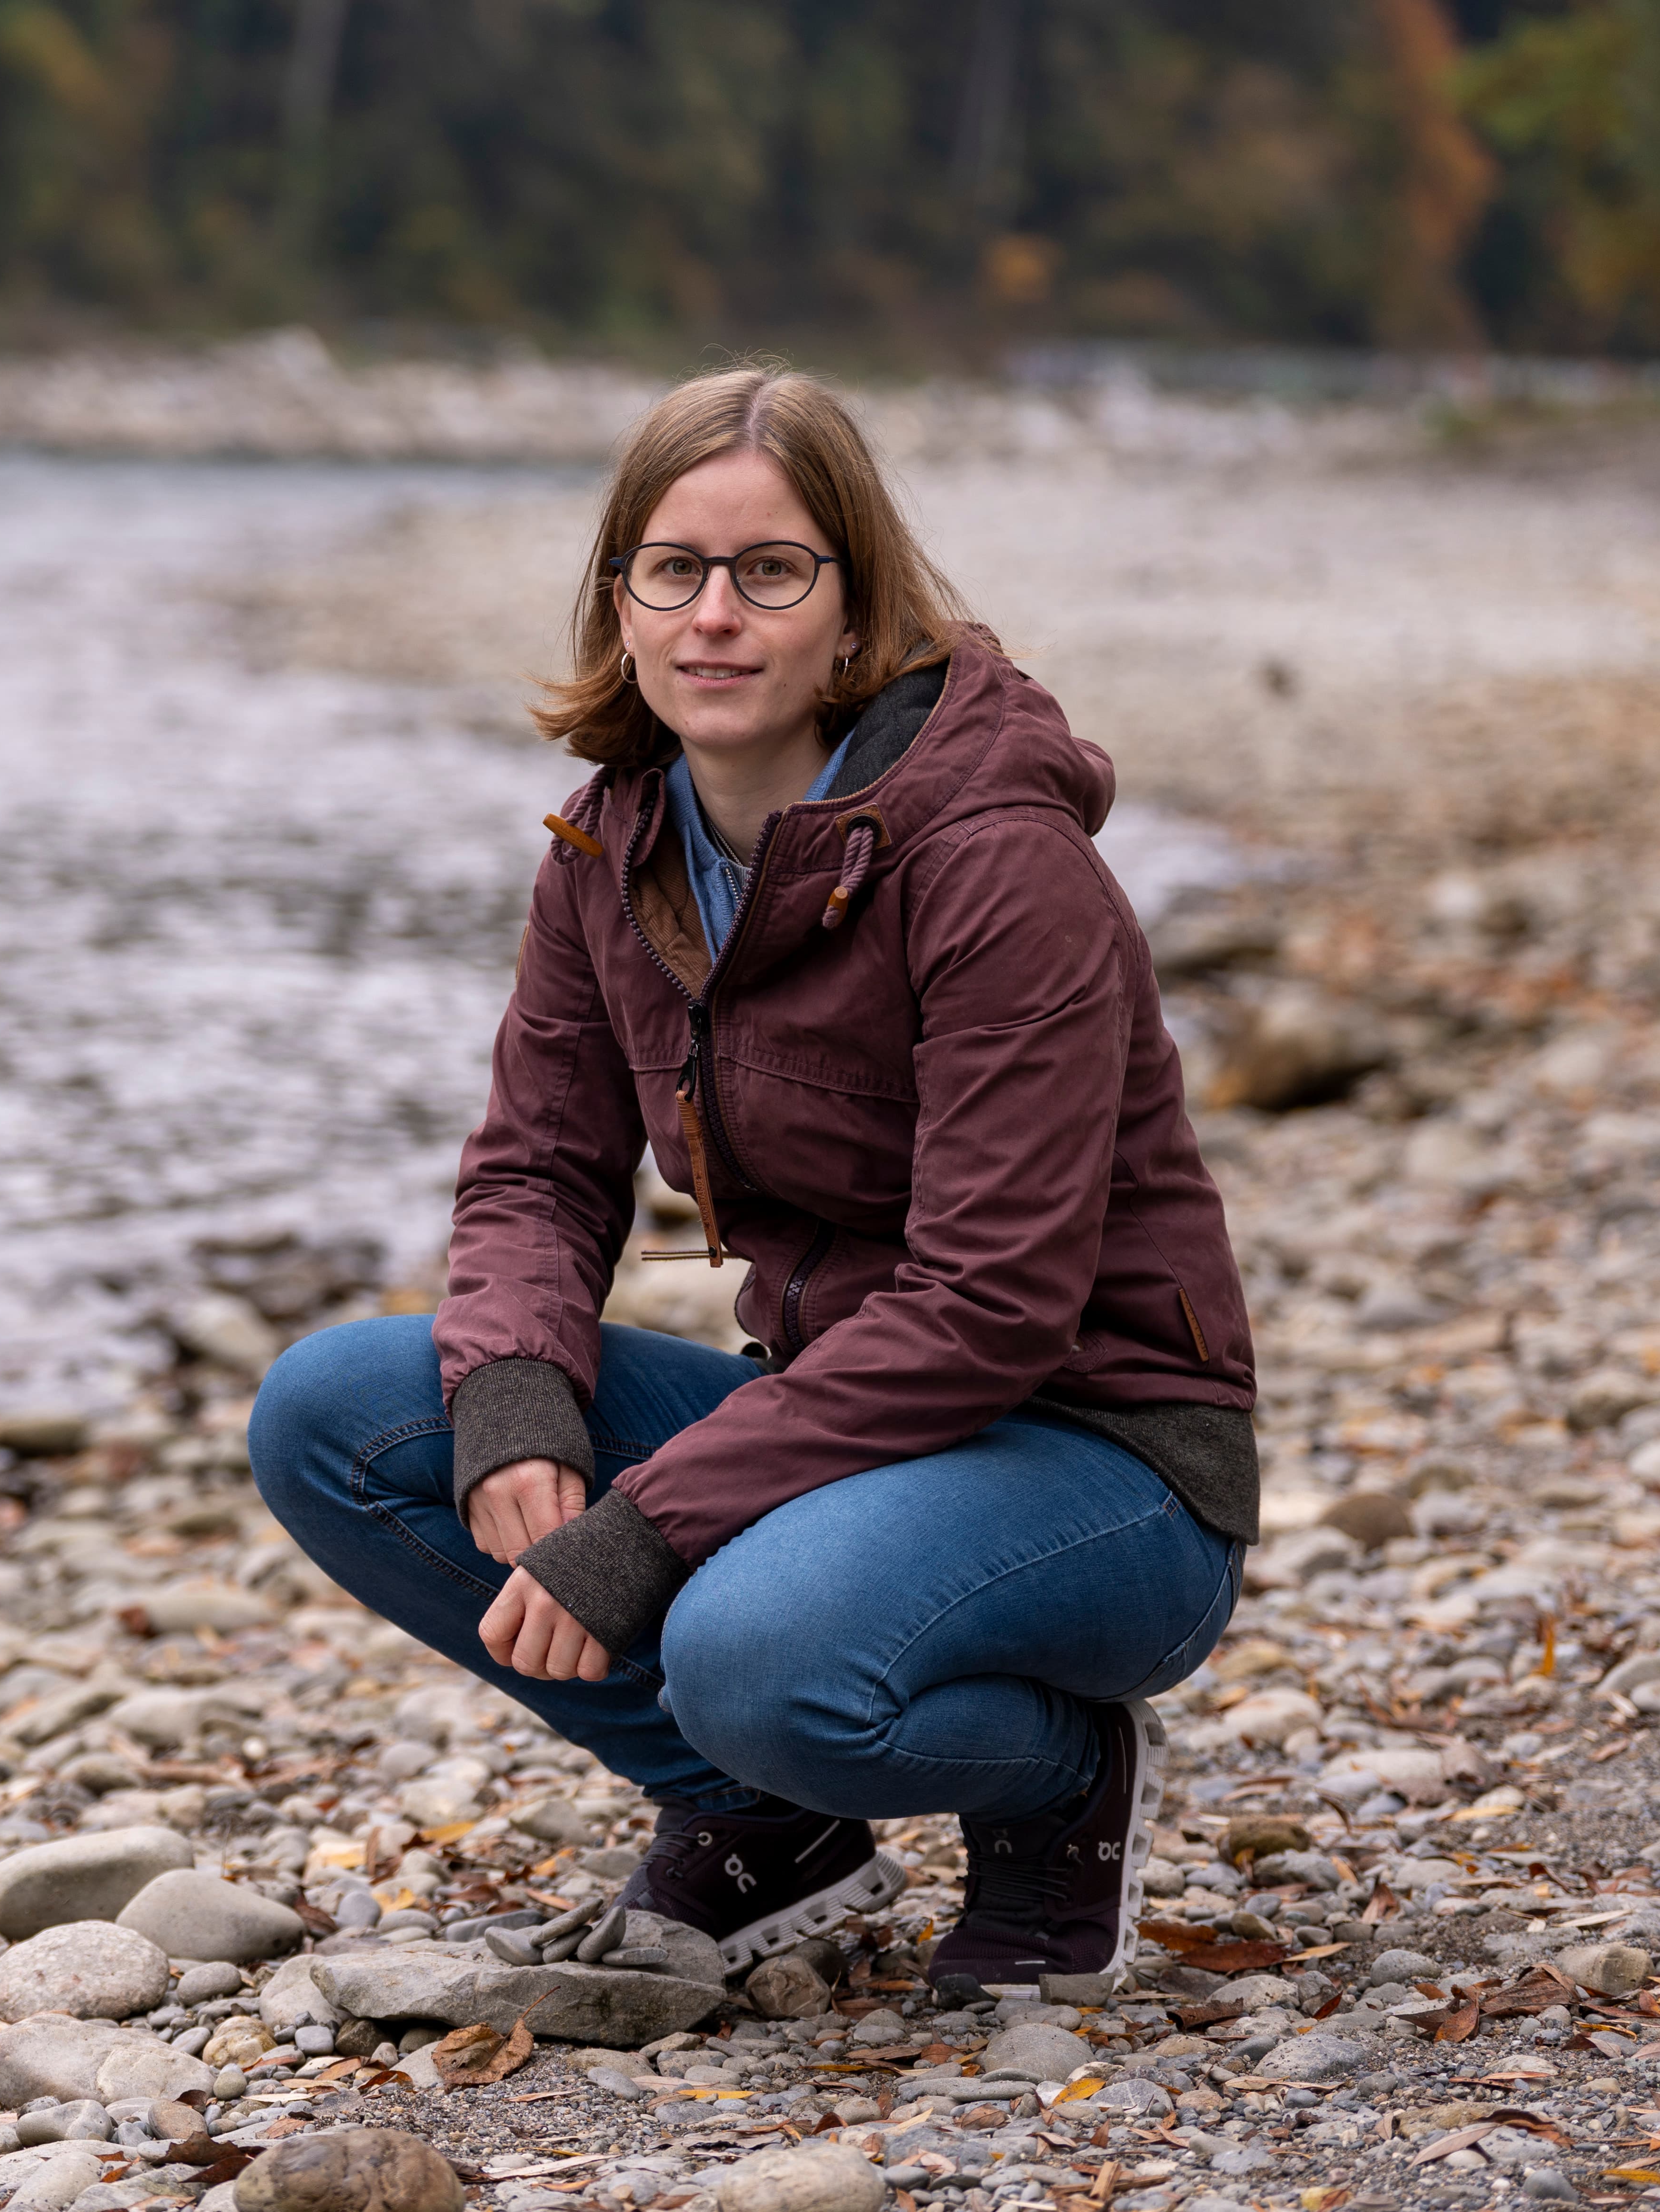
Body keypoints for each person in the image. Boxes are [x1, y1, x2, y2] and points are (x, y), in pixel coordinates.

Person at [248, 365, 1257, 1992]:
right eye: (673, 570)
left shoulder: (999, 864)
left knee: (751, 1650)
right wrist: (513, 1391)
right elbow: (538, 1170)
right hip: (851, 1425)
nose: (715, 615)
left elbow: (993, 1304)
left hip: (1102, 1462)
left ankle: (1066, 1782)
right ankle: (760, 1816)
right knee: (339, 1413)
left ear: (852, 618)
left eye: (770, 571)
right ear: (623, 606)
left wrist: (647, 1521)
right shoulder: (613, 849)